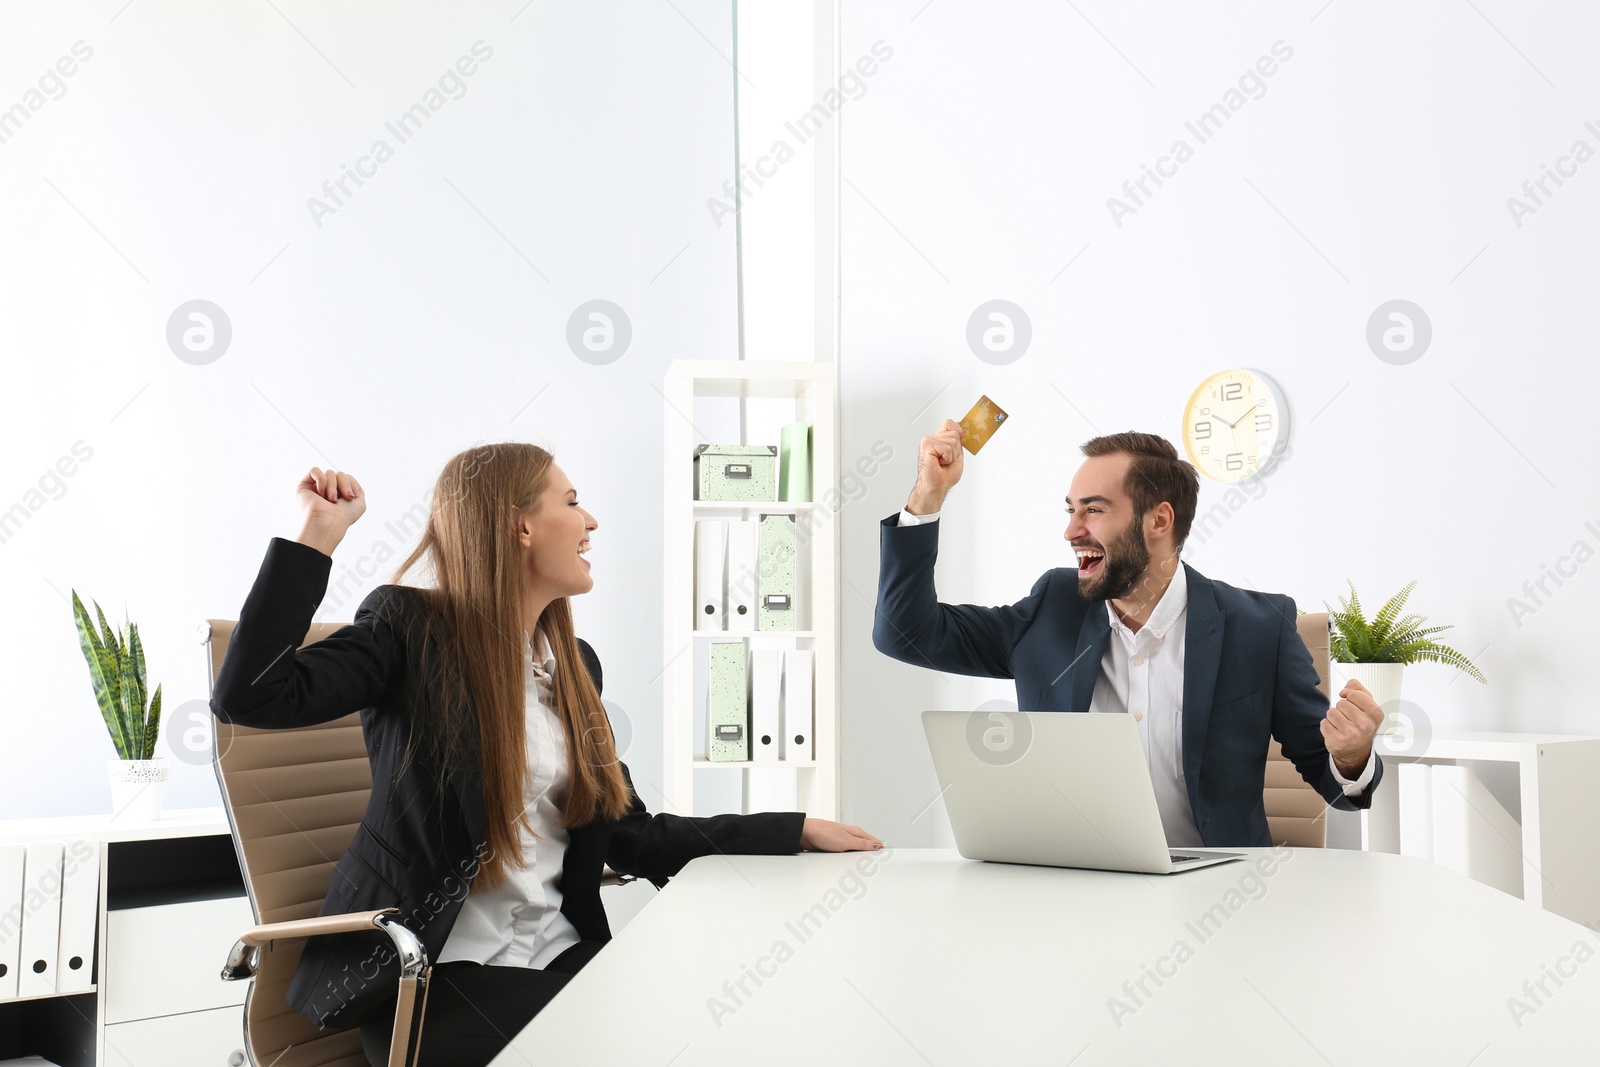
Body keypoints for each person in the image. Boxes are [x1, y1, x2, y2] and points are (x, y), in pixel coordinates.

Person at [211, 443, 880, 1067]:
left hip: (556, 958)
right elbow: (250, 693)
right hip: (432, 983)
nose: (589, 521)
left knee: (740, 1022)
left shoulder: (572, 668)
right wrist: (317, 536)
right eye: (570, 501)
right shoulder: (406, 628)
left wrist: (792, 830)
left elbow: (631, 834)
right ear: (519, 526)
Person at [872, 422, 1385, 848]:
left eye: (1093, 510)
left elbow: (1337, 785)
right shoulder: (1053, 609)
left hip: (1215, 902)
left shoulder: (1257, 627)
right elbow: (904, 632)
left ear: (1159, 519)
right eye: (1071, 510)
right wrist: (927, 497)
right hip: (1075, 892)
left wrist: (1351, 755)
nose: (1072, 531)